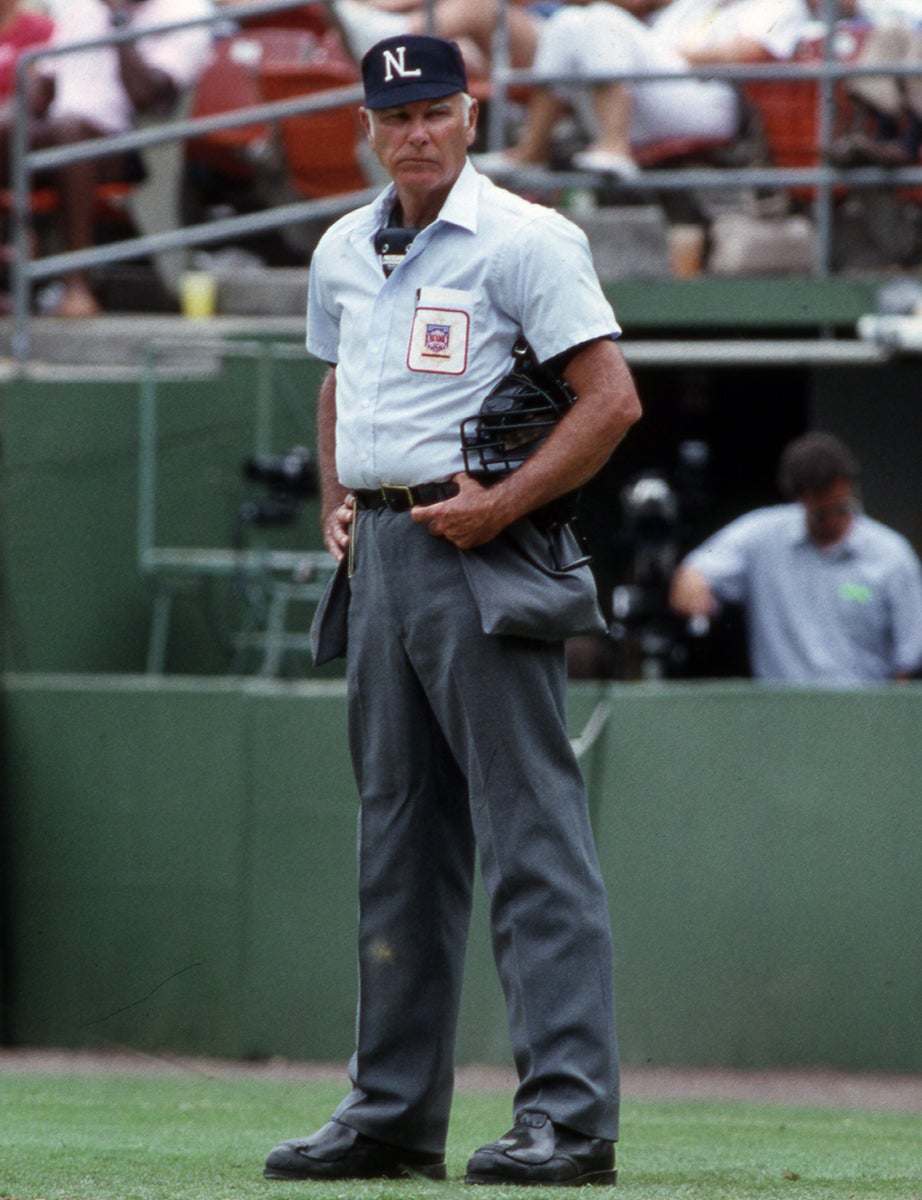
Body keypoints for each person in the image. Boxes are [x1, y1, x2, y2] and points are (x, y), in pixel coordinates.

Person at [262, 33, 642, 1188]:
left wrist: (507, 502)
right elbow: (337, 377)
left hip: (480, 548)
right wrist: (335, 502)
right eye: (395, 115)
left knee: (532, 837)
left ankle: (569, 1120)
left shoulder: (527, 237)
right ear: (366, 128)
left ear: (472, 115)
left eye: (435, 111)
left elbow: (609, 398)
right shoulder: (340, 246)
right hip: (378, 548)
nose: (415, 131)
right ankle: (389, 1113)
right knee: (396, 843)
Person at [0, 0, 213, 317]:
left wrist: (119, 21)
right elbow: (45, 83)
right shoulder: (82, 7)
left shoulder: (187, 11)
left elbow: (146, 95)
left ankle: (78, 286)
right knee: (17, 128)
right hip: (62, 132)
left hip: (133, 143)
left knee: (68, 132)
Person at [669, 431, 922, 682]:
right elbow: (696, 570)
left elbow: (909, 659)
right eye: (821, 514)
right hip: (784, 713)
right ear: (799, 499)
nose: (833, 520)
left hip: (865, 712)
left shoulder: (892, 555)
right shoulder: (762, 535)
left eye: (842, 508)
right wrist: (693, 586)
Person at [479, 0, 811, 181]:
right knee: (568, 21)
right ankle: (532, 151)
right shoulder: (694, 5)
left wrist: (654, 52)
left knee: (603, 17)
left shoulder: (778, 5)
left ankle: (614, 146)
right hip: (655, 98)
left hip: (713, 104)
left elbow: (746, 54)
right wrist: (646, 51)